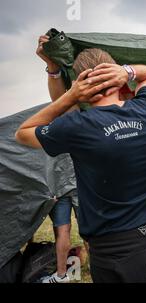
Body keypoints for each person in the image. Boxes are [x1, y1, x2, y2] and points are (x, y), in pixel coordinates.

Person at [15, 48, 146, 283]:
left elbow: (22, 133)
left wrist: (71, 96)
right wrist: (127, 71)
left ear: (80, 83)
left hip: (114, 250)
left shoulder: (78, 126)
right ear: (117, 77)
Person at [35, 34, 79, 283]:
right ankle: (67, 273)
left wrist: (53, 67)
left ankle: (62, 275)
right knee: (88, 231)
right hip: (75, 184)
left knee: (63, 230)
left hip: (61, 185)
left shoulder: (51, 119)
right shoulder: (76, 116)